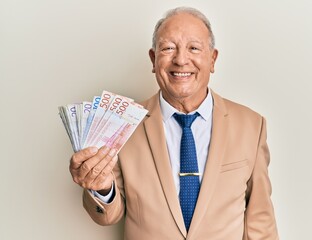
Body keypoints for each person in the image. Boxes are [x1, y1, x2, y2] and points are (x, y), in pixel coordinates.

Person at [69, 7, 279, 240]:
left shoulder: (251, 125)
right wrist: (101, 187)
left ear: (212, 59)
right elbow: (108, 215)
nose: (180, 60)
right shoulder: (123, 125)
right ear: (153, 58)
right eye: (168, 48)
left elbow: (261, 221)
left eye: (194, 48)